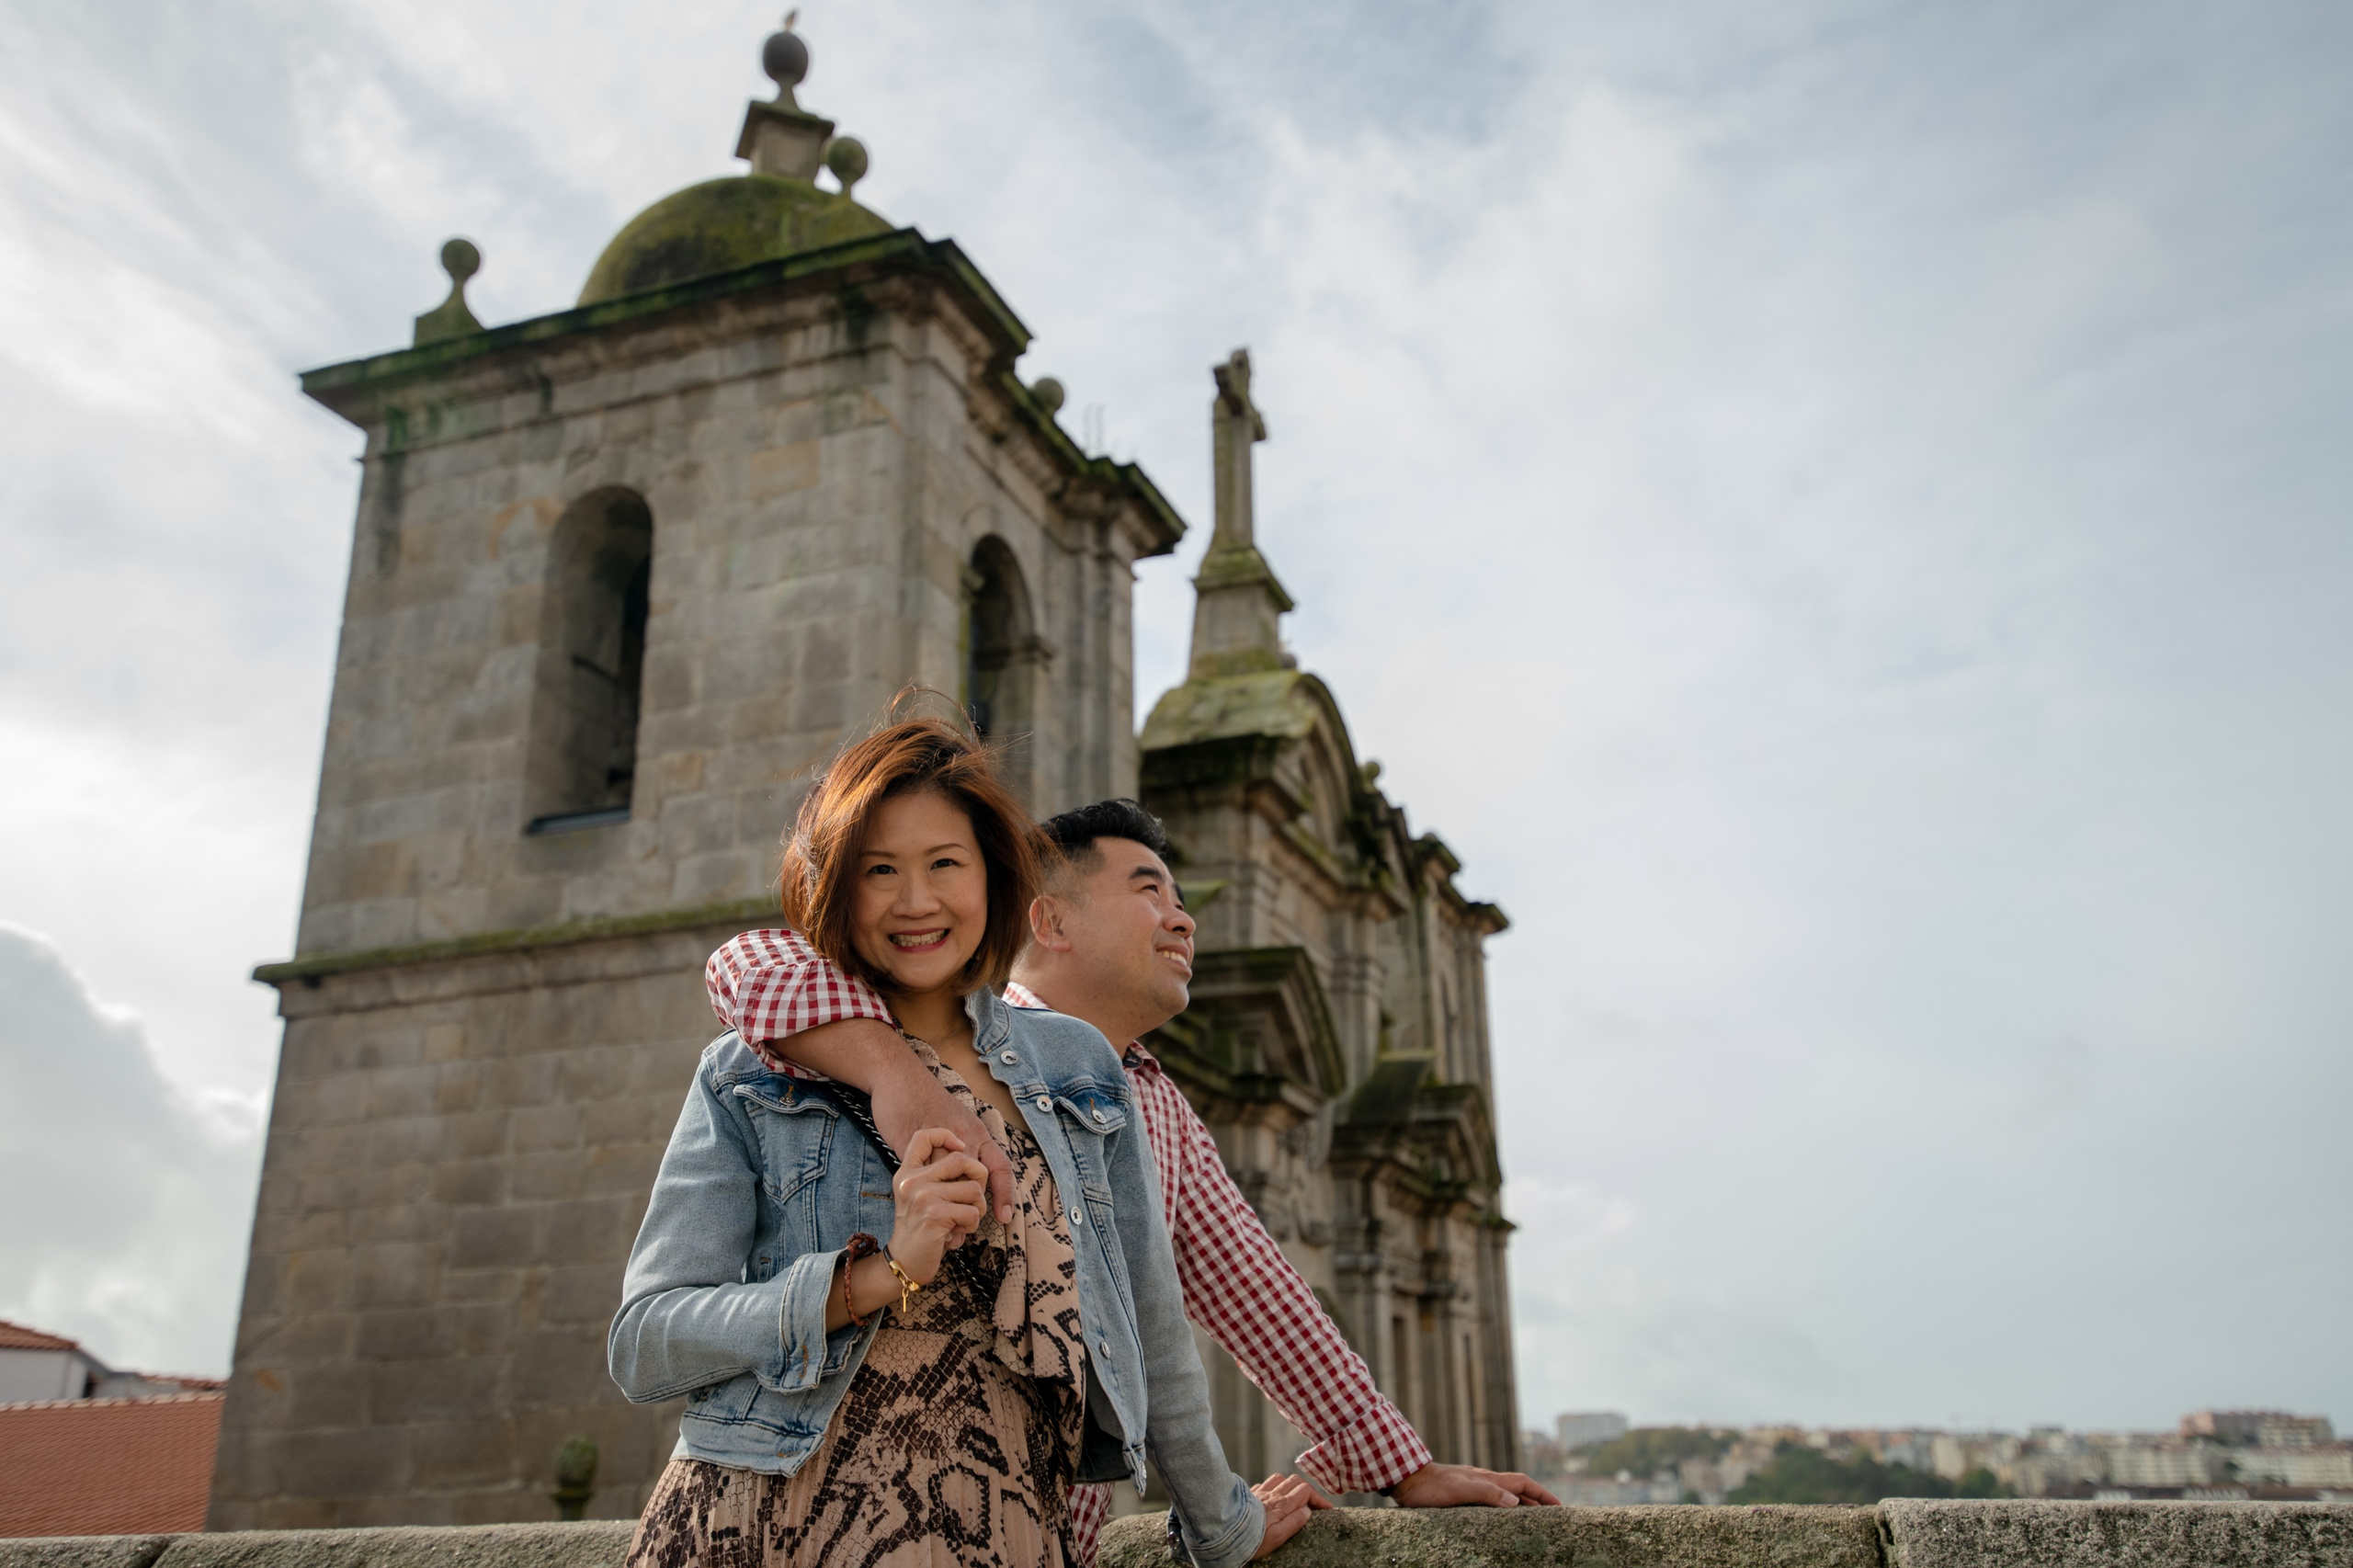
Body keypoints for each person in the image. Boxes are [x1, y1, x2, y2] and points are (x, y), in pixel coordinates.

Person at [705, 799, 1558, 1565]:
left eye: (1181, 898)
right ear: (1048, 921)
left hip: (1034, 1532)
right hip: (827, 1499)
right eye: (1149, 890)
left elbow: (1254, 1293)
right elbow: (746, 961)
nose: (1182, 918)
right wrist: (893, 1069)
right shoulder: (914, 1024)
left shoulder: (1149, 1094)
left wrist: (1398, 1466)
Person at [611, 719, 1320, 1568]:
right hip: (754, 1519)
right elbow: (646, 1341)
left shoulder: (1078, 1066)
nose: (916, 901)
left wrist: (1222, 1527)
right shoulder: (750, 1070)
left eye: (945, 863)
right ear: (836, 887)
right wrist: (873, 1277)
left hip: (998, 1528)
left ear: (993, 876)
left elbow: (1154, 1327)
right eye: (879, 870)